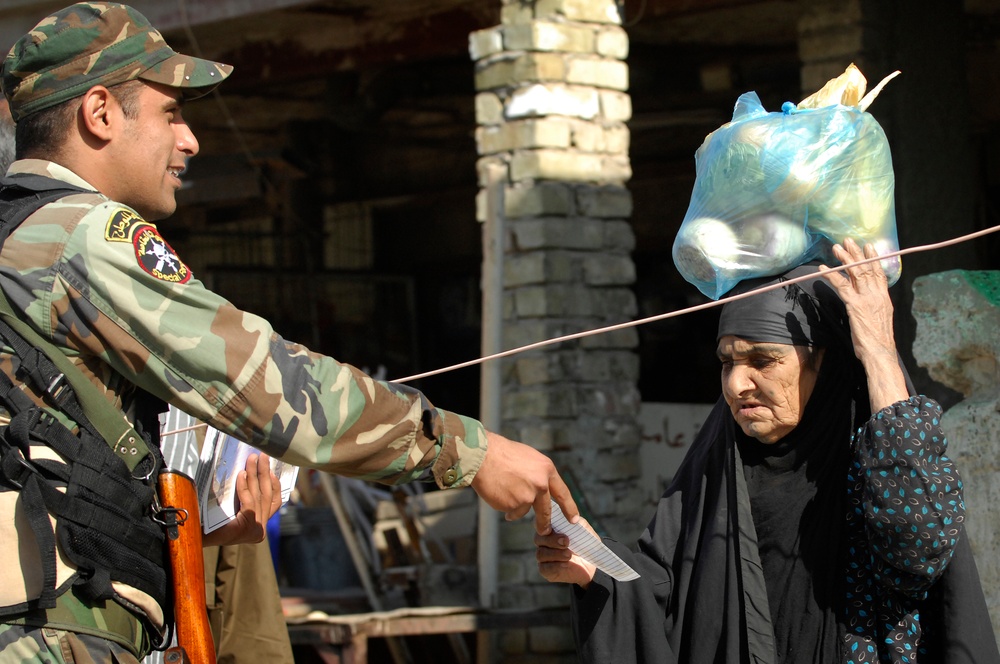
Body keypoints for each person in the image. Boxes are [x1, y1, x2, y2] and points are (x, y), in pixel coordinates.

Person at [0, 3, 578, 662]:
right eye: (171, 112)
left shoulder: (15, 242)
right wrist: (466, 451)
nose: (189, 140)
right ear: (100, 113)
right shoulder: (77, 238)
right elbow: (267, 383)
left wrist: (197, 535)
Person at [536, 239, 1000, 663]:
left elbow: (919, 545)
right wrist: (597, 570)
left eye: (763, 359)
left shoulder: (878, 459)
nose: (737, 385)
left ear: (828, 363)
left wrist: (877, 349)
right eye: (727, 362)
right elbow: (667, 592)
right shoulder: (717, 468)